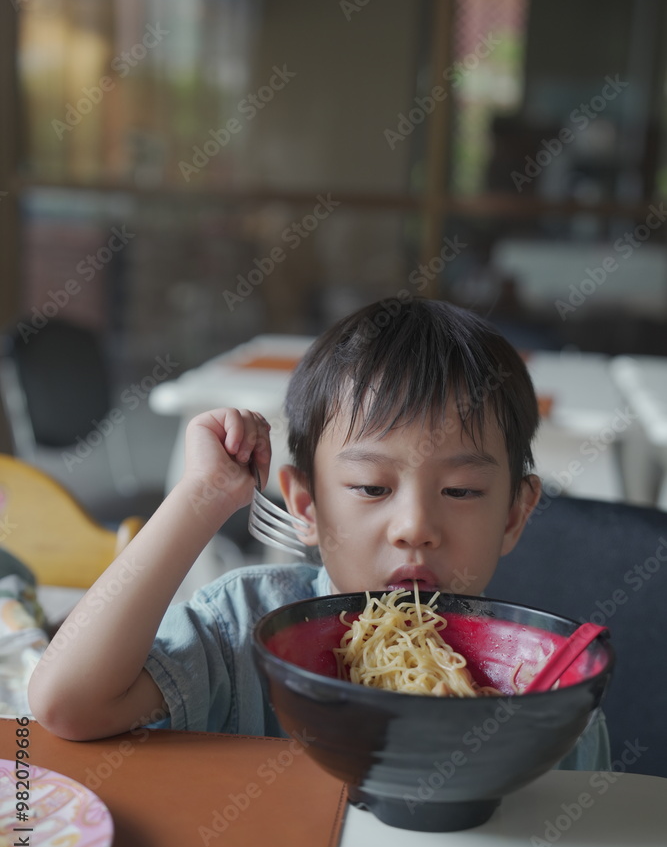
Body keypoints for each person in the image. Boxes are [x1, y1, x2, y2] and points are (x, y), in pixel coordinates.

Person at [28, 297, 609, 769]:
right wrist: (201, 497)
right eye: (371, 488)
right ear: (306, 505)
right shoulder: (244, 628)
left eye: (460, 491)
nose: (414, 527)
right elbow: (67, 703)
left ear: (512, 516)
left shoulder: (547, 688)